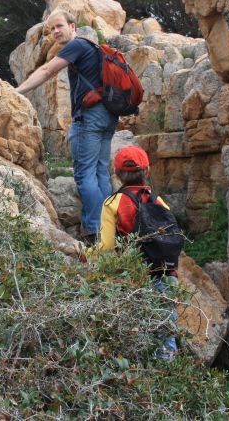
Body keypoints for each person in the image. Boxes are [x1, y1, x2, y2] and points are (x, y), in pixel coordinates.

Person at [15, 10, 118, 239]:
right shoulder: (93, 48)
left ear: (73, 26)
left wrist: (16, 91)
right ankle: (109, 229)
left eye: (59, 26)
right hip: (107, 116)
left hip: (89, 118)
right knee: (100, 172)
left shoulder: (76, 46)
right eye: (51, 29)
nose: (55, 32)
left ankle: (94, 231)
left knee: (84, 175)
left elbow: (47, 70)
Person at [84, 145, 180, 362]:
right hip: (165, 274)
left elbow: (106, 248)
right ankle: (166, 377)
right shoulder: (159, 201)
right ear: (147, 171)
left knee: (134, 334)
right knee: (165, 331)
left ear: (117, 174)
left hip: (134, 277)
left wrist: (86, 254)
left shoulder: (112, 203)